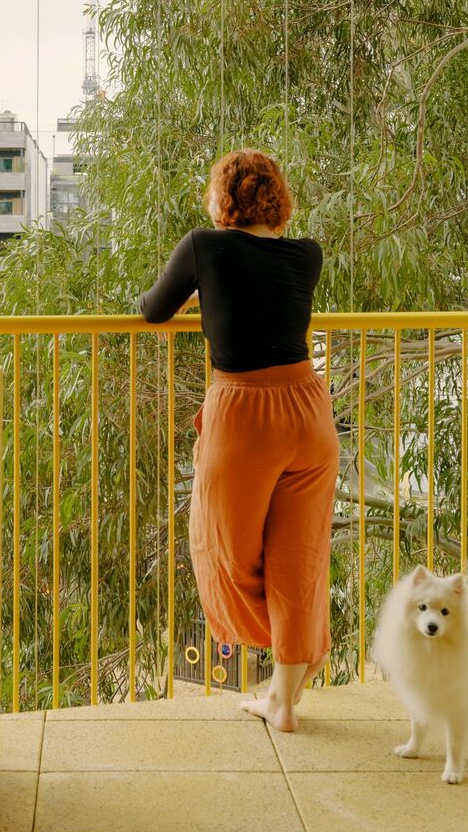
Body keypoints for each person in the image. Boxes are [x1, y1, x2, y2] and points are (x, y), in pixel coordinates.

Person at [138, 149, 339, 732]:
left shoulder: (205, 247)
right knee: (298, 558)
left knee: (222, 551)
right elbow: (265, 299)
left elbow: (153, 310)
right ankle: (285, 695)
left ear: (223, 197)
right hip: (308, 407)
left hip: (245, 414)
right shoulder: (307, 255)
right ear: (277, 198)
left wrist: (203, 295)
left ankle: (285, 666)